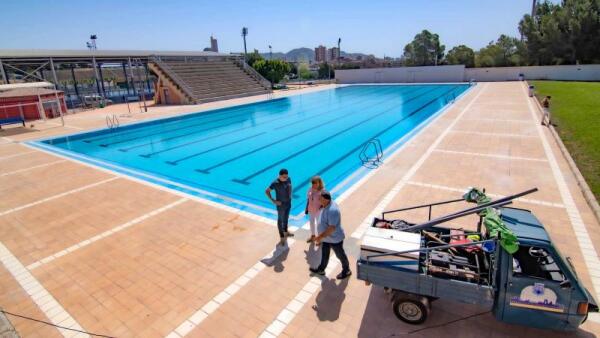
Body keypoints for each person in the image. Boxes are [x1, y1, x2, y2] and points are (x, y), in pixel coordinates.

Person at [309, 190, 351, 280]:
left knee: (340, 255)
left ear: (326, 199)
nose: (318, 199)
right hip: (326, 238)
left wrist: (319, 237)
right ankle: (321, 270)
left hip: (335, 239)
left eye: (320, 198)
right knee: (325, 254)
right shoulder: (325, 205)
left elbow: (331, 228)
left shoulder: (332, 210)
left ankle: (347, 270)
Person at [266, 168, 294, 244]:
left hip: (288, 203)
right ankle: (282, 237)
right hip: (281, 205)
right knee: (280, 220)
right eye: (284, 177)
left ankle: (286, 232)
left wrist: (290, 196)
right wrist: (273, 201)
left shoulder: (288, 179)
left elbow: (290, 186)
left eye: (286, 177)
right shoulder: (275, 183)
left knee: (286, 218)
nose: (286, 178)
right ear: (279, 176)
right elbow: (267, 191)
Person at [305, 176, 325, 243]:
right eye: (313, 183)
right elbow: (308, 199)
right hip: (311, 209)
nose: (313, 185)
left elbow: (326, 201)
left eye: (315, 183)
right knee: (311, 223)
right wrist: (306, 208)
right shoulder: (310, 189)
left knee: (319, 225)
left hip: (318, 211)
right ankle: (313, 236)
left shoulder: (322, 191)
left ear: (319, 183)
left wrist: (322, 208)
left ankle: (319, 239)